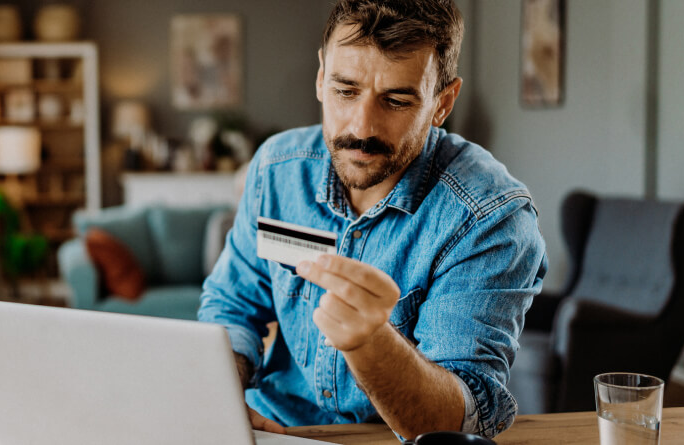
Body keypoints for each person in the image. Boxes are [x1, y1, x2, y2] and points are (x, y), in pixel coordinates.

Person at [198, 0, 547, 440]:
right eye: (345, 90)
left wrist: (371, 343)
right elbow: (231, 307)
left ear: (442, 103)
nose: (361, 127)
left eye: (397, 100)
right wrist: (220, 404)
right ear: (322, 77)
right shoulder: (276, 169)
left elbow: (459, 423)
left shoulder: (490, 218)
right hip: (272, 428)